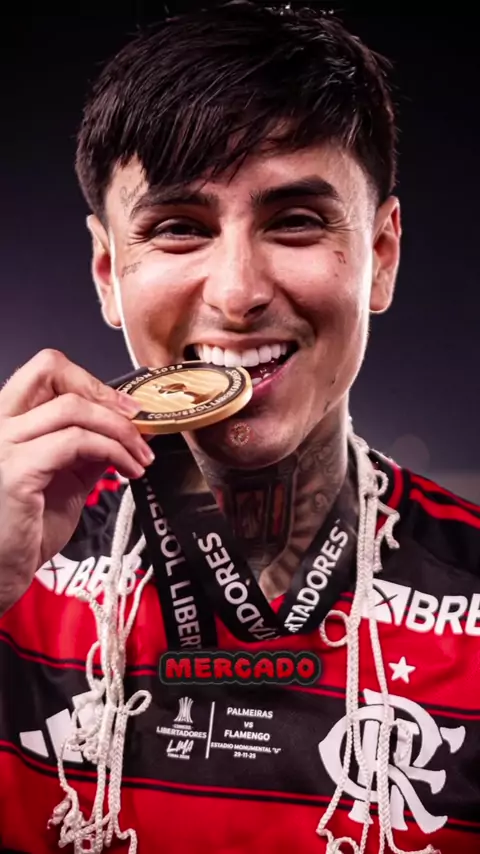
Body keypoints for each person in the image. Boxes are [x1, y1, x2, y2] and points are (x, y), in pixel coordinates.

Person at [0, 3, 478, 853]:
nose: (237, 293)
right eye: (179, 229)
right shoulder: (14, 566)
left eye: (295, 221)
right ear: (108, 272)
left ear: (382, 255)